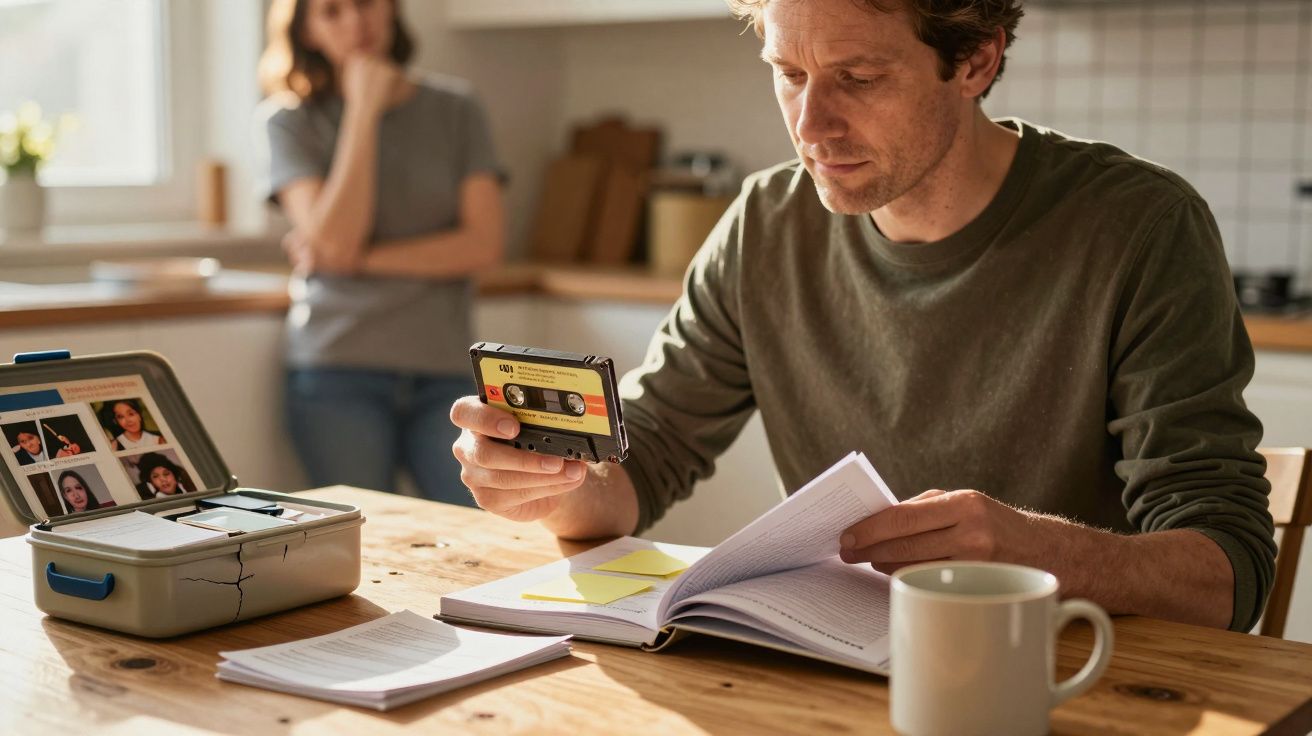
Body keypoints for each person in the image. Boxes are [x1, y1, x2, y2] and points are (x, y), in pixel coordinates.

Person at [450, 0, 1278, 633]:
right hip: (836, 674)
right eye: (789, 74)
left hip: (1062, 674)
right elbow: (643, 465)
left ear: (977, 61)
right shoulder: (764, 223)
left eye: (860, 79)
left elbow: (1230, 573)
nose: (811, 126)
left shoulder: (1139, 225)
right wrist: (550, 485)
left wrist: (1040, 552)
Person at [258, 0, 504, 505]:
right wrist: (363, 110)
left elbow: (482, 245)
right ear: (306, 29)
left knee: (476, 529)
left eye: (367, 3)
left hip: (444, 373)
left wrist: (356, 261)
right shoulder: (288, 122)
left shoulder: (457, 108)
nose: (356, 22)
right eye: (331, 11)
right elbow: (334, 241)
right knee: (363, 543)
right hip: (336, 373)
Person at [101, 399, 166, 451]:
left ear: (139, 415)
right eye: (120, 417)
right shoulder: (115, 445)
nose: (128, 420)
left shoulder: (159, 437)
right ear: (115, 421)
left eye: (131, 414)